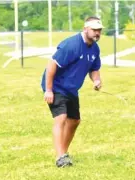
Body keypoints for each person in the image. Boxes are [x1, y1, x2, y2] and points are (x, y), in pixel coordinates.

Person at [41, 16, 103, 167]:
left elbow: (94, 68)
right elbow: (51, 66)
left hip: (71, 89)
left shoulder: (95, 48)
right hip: (56, 86)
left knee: (74, 121)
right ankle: (60, 156)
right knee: (61, 118)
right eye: (94, 30)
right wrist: (49, 90)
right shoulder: (71, 45)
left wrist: (96, 80)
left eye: (99, 30)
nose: (97, 33)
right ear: (85, 29)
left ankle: (64, 152)